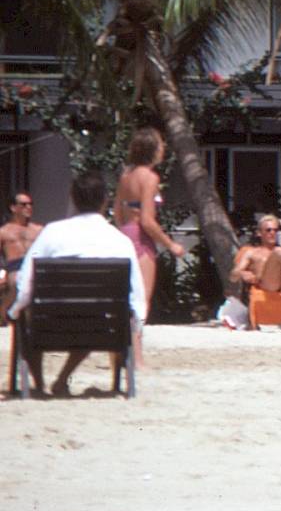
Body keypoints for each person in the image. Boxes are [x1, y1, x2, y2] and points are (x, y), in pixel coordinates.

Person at [7, 171, 145, 397]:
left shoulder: (52, 233)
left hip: (48, 323)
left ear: (73, 199)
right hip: (101, 327)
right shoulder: (120, 241)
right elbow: (136, 292)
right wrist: (137, 323)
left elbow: (26, 280)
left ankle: (39, 385)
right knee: (92, 312)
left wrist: (15, 310)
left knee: (27, 315)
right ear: (104, 201)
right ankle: (62, 379)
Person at [114, 128, 185, 368]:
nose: (163, 148)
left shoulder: (126, 176)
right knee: (141, 300)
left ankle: (122, 353)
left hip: (125, 234)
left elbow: (117, 213)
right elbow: (147, 220)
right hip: (141, 239)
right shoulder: (150, 178)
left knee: (126, 297)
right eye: (161, 145)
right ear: (152, 150)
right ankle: (137, 357)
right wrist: (171, 244)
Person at [1, 190, 42, 312]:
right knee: (16, 281)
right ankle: (4, 313)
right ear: (13, 208)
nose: (28, 207)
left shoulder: (39, 230)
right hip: (16, 266)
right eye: (24, 204)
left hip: (36, 265)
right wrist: (1, 274)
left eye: (30, 204)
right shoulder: (4, 231)